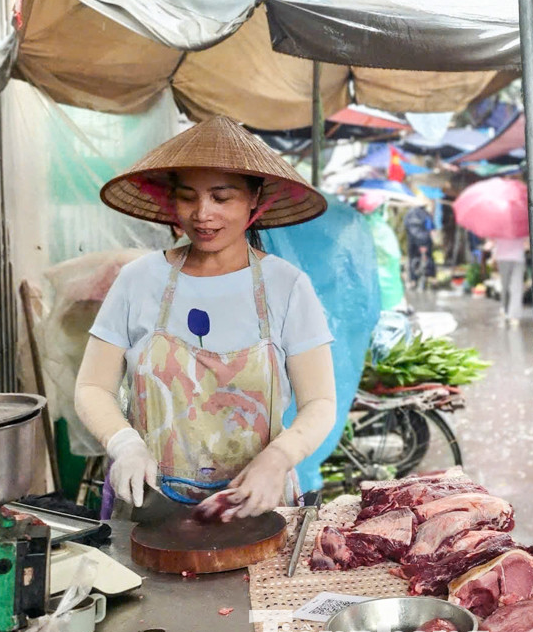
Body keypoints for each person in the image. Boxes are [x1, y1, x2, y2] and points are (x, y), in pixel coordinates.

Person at [74, 116, 337, 518]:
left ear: (254, 198)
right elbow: (92, 386)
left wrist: (279, 457)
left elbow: (319, 401)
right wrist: (124, 443)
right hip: (151, 508)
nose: (202, 214)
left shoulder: (286, 286)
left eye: (221, 197)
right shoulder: (138, 280)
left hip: (254, 508)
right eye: (187, 197)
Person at [491, 236, 528, 326]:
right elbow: (527, 245)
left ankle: (509, 312)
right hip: (512, 258)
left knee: (510, 286)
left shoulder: (501, 227)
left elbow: (493, 242)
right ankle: (509, 311)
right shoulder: (520, 228)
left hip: (508, 258)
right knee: (511, 286)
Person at [403, 201, 436, 289]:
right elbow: (431, 228)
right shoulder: (426, 214)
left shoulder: (408, 214)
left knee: (412, 258)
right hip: (424, 240)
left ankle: (413, 280)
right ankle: (431, 278)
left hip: (412, 241)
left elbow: (405, 226)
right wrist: (434, 239)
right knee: (429, 256)